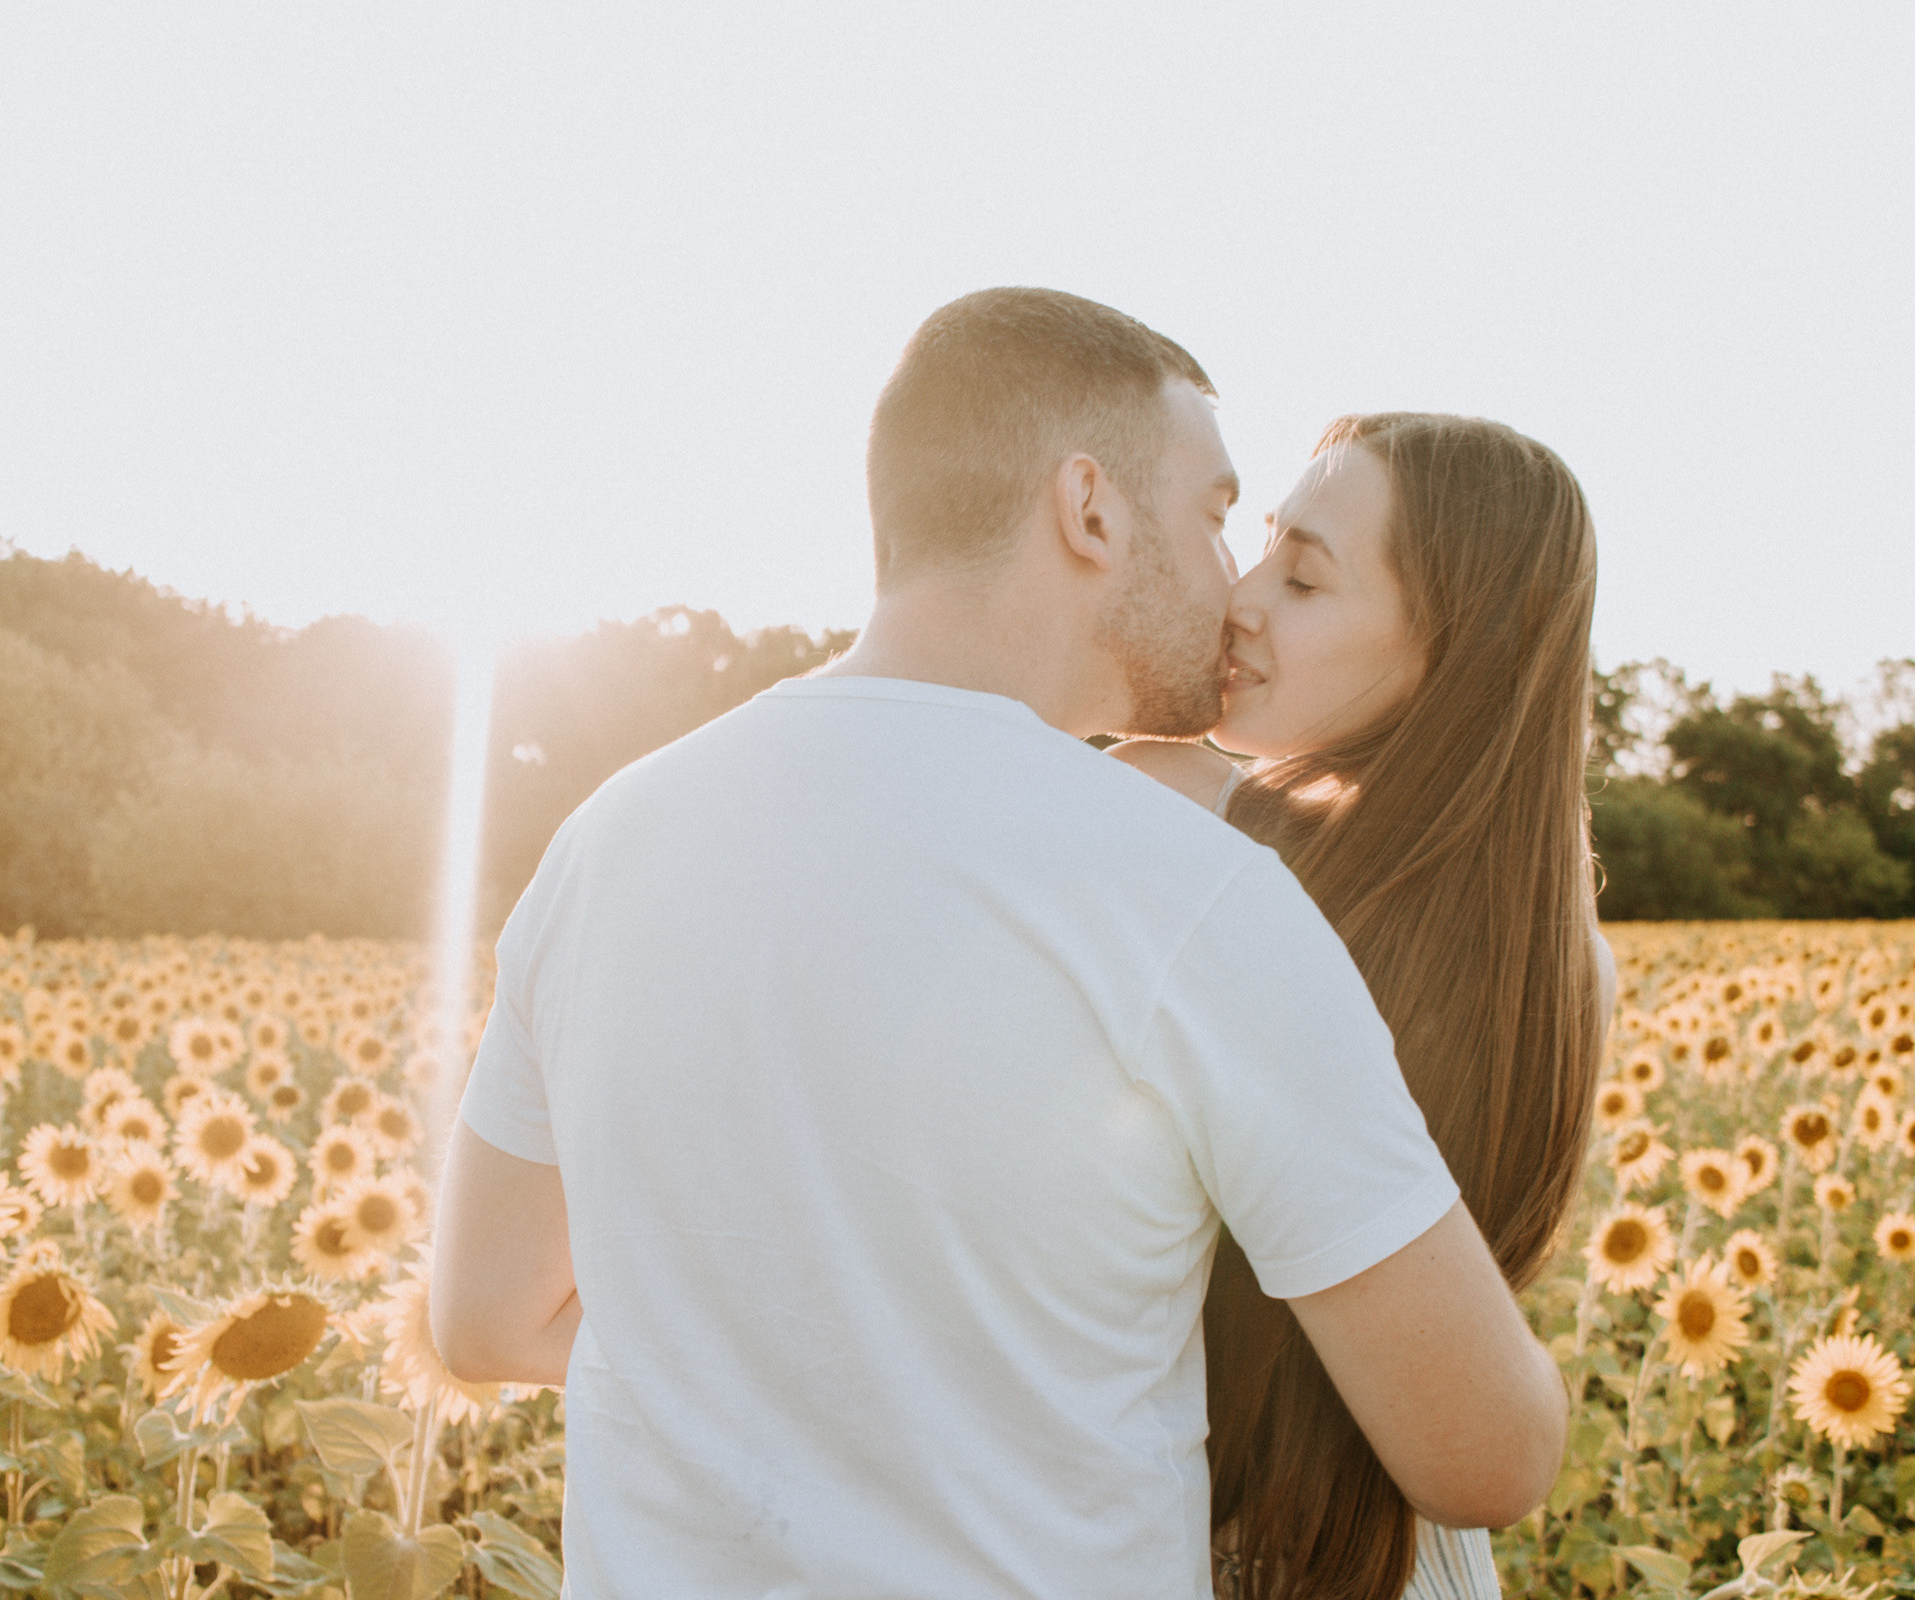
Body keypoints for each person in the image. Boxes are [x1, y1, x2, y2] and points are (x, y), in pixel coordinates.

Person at [429, 287, 1567, 1600]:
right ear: (1090, 511)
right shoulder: (1193, 897)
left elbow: (484, 1316)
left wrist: (778, 1382)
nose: (1229, 584)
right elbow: (1485, 1459)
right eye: (1212, 518)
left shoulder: (604, 839)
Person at [1111, 412, 1609, 1600]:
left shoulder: (1178, 812)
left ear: (1452, 649)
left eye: (1303, 575)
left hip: (1156, 1533)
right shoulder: (1563, 965)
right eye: (1262, 548)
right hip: (1398, 1563)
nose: (1240, 598)